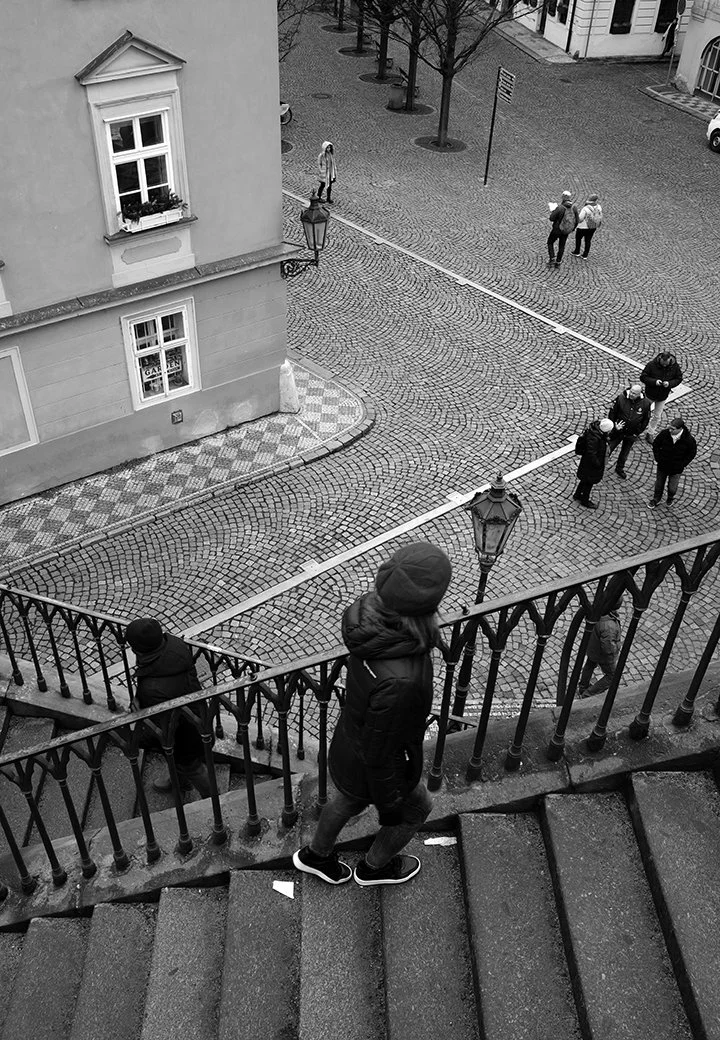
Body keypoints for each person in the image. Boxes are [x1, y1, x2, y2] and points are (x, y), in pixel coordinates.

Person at [293, 541, 452, 887]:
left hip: (350, 741)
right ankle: (374, 868)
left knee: (347, 799)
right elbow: (381, 753)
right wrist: (390, 805)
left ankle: (315, 856)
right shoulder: (402, 680)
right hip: (378, 762)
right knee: (417, 810)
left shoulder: (367, 619)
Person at [125, 617, 212, 798]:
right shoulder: (175, 644)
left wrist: (140, 715)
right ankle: (179, 782)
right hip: (196, 712)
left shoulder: (152, 688)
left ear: (137, 649)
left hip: (182, 732)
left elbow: (158, 727)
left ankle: (213, 800)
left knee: (191, 766)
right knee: (181, 761)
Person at [578, 600, 623, 698]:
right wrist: (615, 651)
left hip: (593, 647)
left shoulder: (598, 611)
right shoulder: (609, 626)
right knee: (612, 676)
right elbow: (608, 648)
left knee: (590, 665)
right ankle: (588, 694)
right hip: (602, 654)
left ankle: (583, 686)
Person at [650, 417, 697, 507]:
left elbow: (692, 453)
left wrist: (682, 464)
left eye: (673, 429)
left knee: (672, 488)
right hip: (662, 465)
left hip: (676, 468)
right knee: (659, 484)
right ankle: (656, 499)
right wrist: (658, 458)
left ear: (680, 429)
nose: (670, 430)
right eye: (670, 428)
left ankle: (670, 498)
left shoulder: (688, 440)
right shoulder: (665, 434)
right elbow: (656, 444)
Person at [607, 384, 652, 479]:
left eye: (634, 393)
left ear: (639, 394)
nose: (631, 394)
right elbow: (612, 413)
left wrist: (638, 431)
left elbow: (645, 419)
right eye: (631, 391)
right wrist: (614, 426)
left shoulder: (646, 403)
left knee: (624, 453)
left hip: (631, 434)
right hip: (618, 431)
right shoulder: (621, 398)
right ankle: (601, 466)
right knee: (609, 449)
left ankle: (619, 468)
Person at [639, 351, 683, 443]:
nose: (664, 366)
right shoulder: (651, 365)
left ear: (669, 360)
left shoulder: (675, 367)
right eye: (663, 364)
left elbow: (678, 378)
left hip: (662, 396)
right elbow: (643, 377)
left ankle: (650, 433)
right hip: (650, 394)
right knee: (642, 413)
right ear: (660, 359)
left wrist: (669, 383)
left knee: (657, 416)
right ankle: (637, 431)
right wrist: (654, 382)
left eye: (666, 364)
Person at [573, 417, 614, 509]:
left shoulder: (595, 433)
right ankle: (585, 500)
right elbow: (591, 453)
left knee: (584, 480)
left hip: (587, 463)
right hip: (591, 465)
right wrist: (598, 464)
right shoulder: (595, 438)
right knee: (589, 483)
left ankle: (577, 494)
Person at [547, 191, 578, 267]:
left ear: (563, 197)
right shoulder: (574, 207)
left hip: (557, 229)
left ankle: (552, 258)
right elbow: (577, 220)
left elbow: (551, 218)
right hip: (566, 230)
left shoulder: (560, 208)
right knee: (562, 245)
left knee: (550, 242)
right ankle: (558, 261)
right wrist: (572, 228)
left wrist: (553, 211)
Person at [571, 193, 603, 259]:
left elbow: (580, 219)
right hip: (593, 226)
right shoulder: (599, 207)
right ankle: (585, 254)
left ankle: (577, 251)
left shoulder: (586, 208)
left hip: (583, 227)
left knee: (578, 238)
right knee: (588, 240)